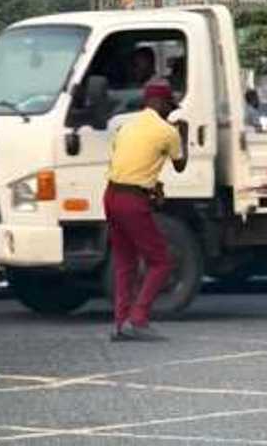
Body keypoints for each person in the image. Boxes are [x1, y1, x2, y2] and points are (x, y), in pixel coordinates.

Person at [104, 79, 188, 342]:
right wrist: (183, 136)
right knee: (161, 261)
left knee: (124, 263)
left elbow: (130, 165)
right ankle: (138, 319)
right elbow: (180, 165)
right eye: (169, 108)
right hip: (132, 202)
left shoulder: (126, 126)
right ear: (161, 104)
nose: (170, 113)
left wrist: (151, 185)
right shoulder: (167, 132)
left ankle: (120, 323)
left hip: (111, 195)